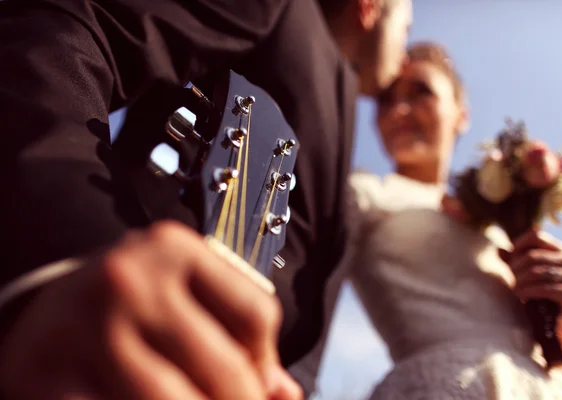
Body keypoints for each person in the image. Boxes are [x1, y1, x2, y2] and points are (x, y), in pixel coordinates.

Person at [0, 0, 412, 398]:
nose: (405, 51)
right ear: (369, 6)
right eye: (406, 29)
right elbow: (68, 27)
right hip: (110, 346)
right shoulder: (286, 11)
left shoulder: (344, 106)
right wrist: (68, 259)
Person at [343, 42, 562, 398]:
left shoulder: (495, 223)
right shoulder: (364, 192)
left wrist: (560, 322)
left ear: (461, 114)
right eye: (385, 101)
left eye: (420, 92)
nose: (399, 111)